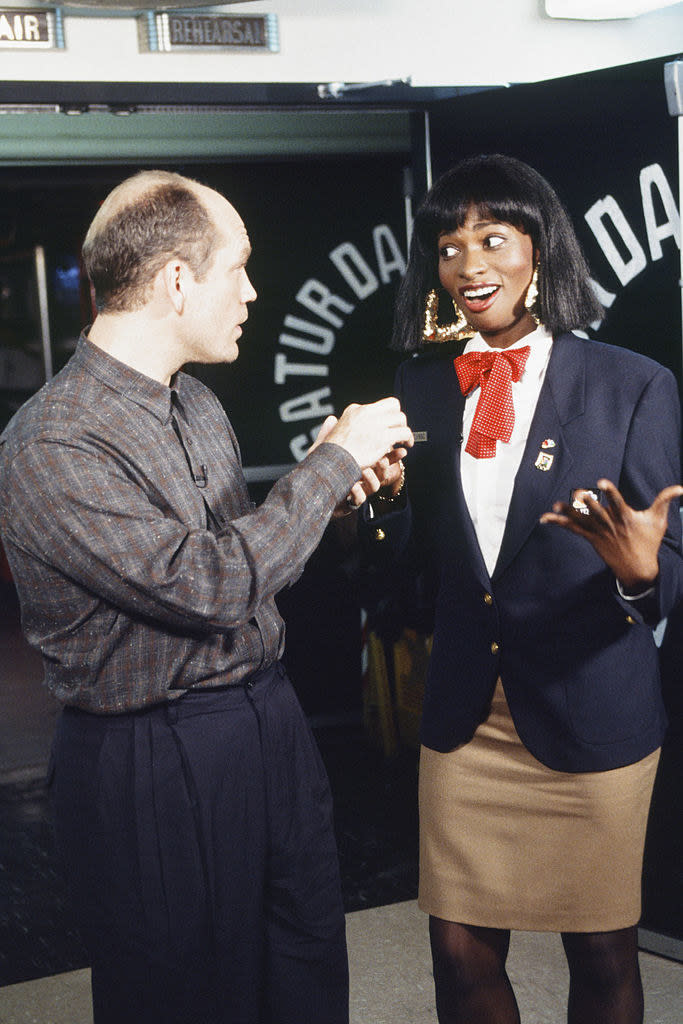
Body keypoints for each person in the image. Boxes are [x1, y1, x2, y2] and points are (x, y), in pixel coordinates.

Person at [0, 169, 412, 1024]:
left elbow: (245, 559)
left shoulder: (198, 406)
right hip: (149, 755)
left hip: (266, 724)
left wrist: (334, 501)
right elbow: (207, 585)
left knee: (302, 958)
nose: (252, 292)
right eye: (240, 268)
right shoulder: (49, 441)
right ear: (177, 280)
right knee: (179, 994)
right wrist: (329, 460)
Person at [362, 154, 682, 1024]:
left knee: (603, 953)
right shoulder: (420, 384)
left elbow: (668, 564)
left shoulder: (632, 385)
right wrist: (383, 505)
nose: (469, 266)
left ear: (539, 250)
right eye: (448, 246)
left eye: (491, 239)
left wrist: (642, 572)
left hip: (590, 708)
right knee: (458, 951)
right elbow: (413, 564)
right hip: (466, 715)